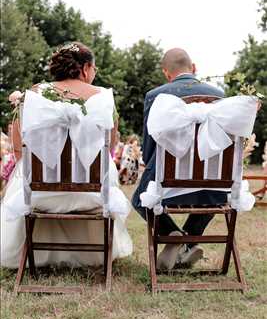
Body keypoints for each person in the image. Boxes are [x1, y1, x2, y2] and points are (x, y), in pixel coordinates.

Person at [1, 41, 132, 268]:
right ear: (84, 69)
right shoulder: (102, 98)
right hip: (92, 194)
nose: (94, 73)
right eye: (94, 68)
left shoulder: (34, 94)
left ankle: (35, 255)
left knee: (23, 172)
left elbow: (17, 144)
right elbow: (109, 146)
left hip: (39, 194)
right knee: (106, 169)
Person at [132, 47, 227, 270]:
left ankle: (173, 234)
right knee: (217, 194)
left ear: (166, 73)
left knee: (138, 199)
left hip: (168, 183)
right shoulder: (220, 96)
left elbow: (148, 149)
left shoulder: (156, 96)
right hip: (211, 185)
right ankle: (190, 241)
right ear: (193, 68)